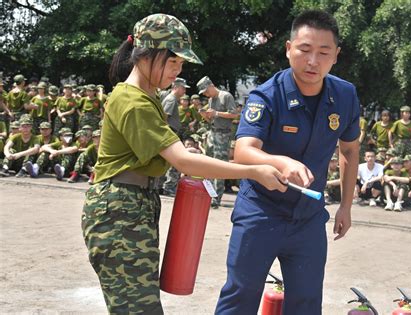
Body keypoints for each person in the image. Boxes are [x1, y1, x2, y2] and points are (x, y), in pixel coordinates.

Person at [81, 13, 286, 314]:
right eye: (173, 62)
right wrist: (252, 171)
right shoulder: (133, 101)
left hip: (132, 207)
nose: (177, 71)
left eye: (180, 64)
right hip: (119, 211)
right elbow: (183, 162)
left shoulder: (146, 96)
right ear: (147, 55)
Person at [215, 10, 360, 314]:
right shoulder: (266, 96)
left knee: (306, 304)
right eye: (304, 50)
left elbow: (349, 150)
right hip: (260, 213)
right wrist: (280, 161)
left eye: (323, 52)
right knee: (240, 296)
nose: (312, 61)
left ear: (336, 56)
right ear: (288, 48)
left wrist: (346, 204)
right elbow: (243, 150)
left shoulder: (345, 95)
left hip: (308, 220)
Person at [196, 75, 239, 208]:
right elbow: (211, 119)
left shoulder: (225, 96)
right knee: (207, 165)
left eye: (206, 91)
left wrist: (217, 113)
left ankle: (216, 198)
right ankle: (207, 194)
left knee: (218, 166)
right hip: (212, 133)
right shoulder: (211, 100)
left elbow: (234, 114)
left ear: (211, 85)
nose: (206, 94)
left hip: (223, 135)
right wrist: (205, 116)